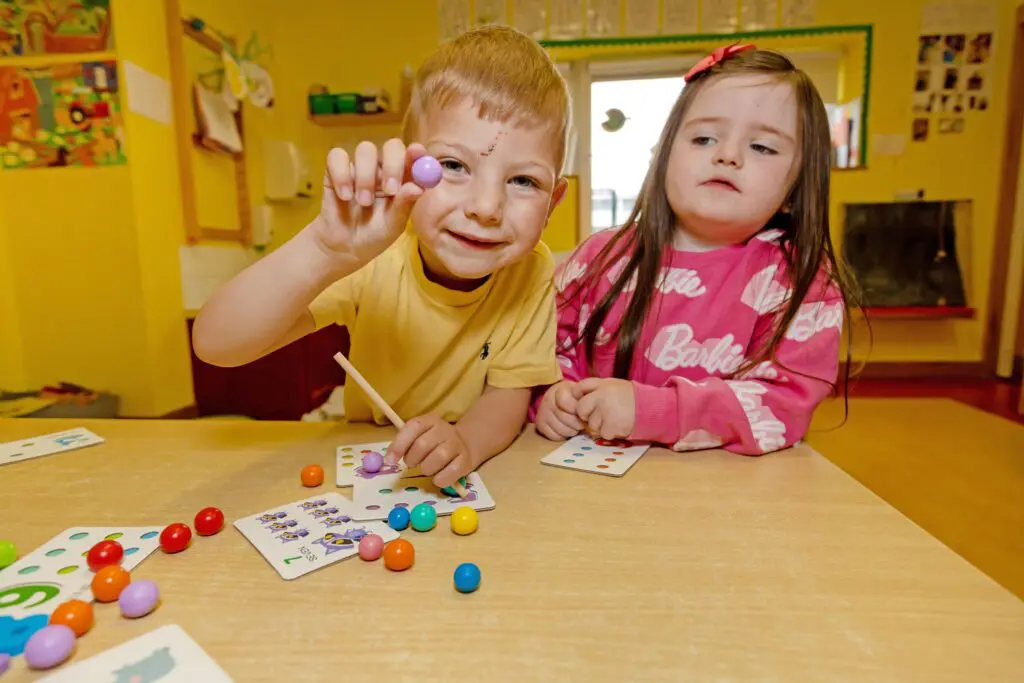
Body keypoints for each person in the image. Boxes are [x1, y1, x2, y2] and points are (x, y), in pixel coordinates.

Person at [193, 25, 570, 487]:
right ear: (412, 169)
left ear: (553, 204)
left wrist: (467, 441)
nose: (486, 208)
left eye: (523, 181)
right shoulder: (375, 252)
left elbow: (507, 396)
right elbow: (216, 346)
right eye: (453, 166)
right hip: (367, 461)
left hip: (472, 469)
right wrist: (323, 251)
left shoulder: (532, 271)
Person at [534, 44, 856, 456]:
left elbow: (782, 407)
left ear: (796, 189)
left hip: (724, 499)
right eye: (704, 138)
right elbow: (540, 352)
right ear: (664, 157)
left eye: (762, 147)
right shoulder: (600, 257)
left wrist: (656, 410)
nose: (726, 155)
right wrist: (553, 397)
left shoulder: (802, 281)